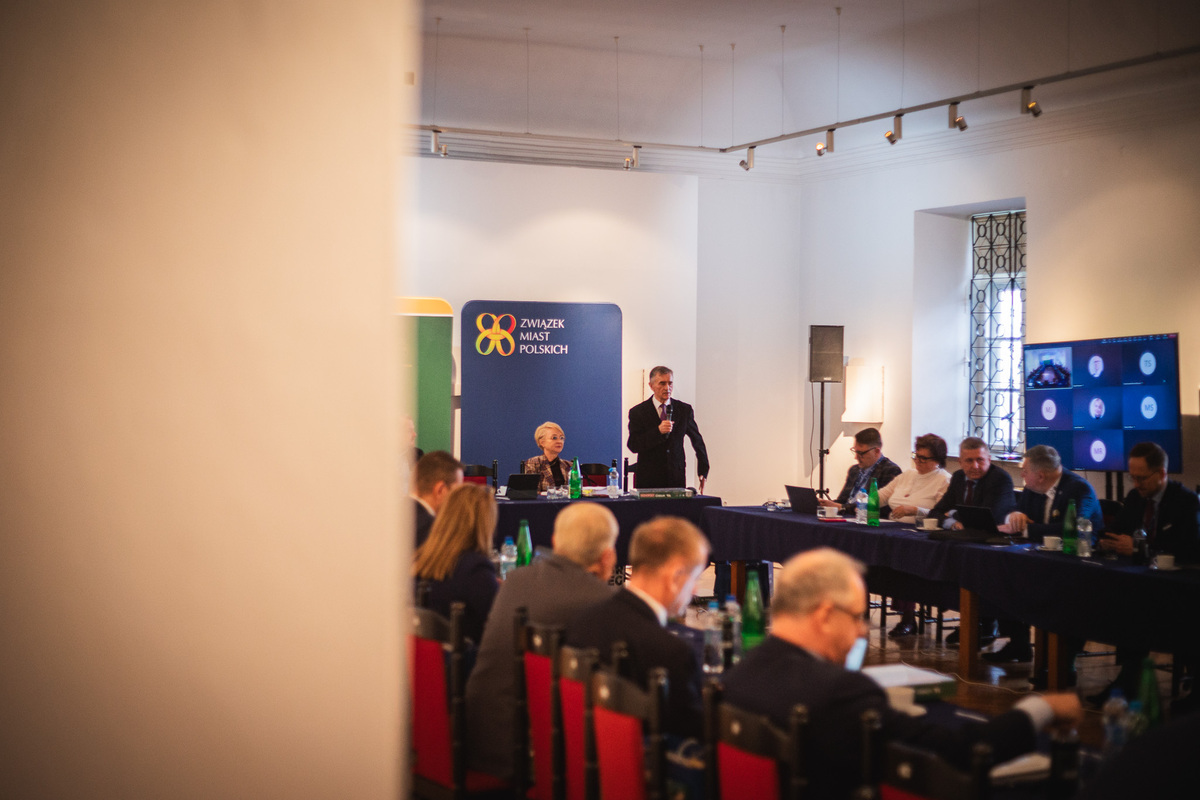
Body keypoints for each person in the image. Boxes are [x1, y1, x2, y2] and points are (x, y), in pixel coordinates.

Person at [721, 548, 1082, 800]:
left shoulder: (739, 672)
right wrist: (1042, 709)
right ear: (825, 615)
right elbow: (960, 753)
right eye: (857, 617)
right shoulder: (841, 693)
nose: (862, 631)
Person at [465, 502, 619, 779]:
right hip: (530, 756)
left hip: (478, 733)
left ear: (555, 541)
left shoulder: (516, 580)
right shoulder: (602, 601)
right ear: (608, 556)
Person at [565, 516, 710, 737]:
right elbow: (694, 738)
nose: (695, 590)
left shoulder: (582, 621)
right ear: (674, 577)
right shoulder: (671, 653)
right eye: (695, 577)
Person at [1092, 441, 1200, 702]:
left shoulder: (1186, 502)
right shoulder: (1135, 498)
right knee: (1118, 603)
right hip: (1141, 582)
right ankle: (1128, 682)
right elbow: (1117, 530)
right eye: (1133, 477)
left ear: (1161, 473)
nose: (1136, 483)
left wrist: (1140, 548)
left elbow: (1189, 549)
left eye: (1141, 478)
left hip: (1178, 587)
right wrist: (1106, 540)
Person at [988, 445, 1104, 664]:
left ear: (1040, 475)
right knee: (1002, 574)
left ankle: (1064, 662)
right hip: (1040, 558)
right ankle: (1019, 643)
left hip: (1077, 564)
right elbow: (1018, 511)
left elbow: (1071, 529)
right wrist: (1016, 516)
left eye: (1024, 471)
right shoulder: (1033, 488)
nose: (1022, 476)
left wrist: (1028, 529)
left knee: (1065, 596)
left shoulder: (1079, 489)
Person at [927, 437, 1017, 646]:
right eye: (969, 461)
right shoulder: (959, 478)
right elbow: (936, 512)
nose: (975, 466)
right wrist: (952, 523)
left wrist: (954, 514)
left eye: (980, 460)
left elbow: (988, 517)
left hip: (995, 545)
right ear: (960, 462)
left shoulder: (1000, 478)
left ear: (989, 459)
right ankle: (971, 622)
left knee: (977, 570)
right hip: (965, 542)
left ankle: (985, 625)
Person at [876, 433, 952, 637]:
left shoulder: (944, 480)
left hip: (922, 535)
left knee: (904, 561)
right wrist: (860, 502)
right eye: (916, 456)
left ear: (937, 460)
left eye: (923, 458)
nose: (917, 461)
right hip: (894, 530)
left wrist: (914, 510)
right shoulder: (908, 475)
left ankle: (908, 618)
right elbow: (881, 496)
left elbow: (943, 513)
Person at [413, 482, 499, 644]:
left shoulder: (422, 560)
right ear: (484, 524)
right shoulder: (475, 570)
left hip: (434, 657)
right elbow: (501, 624)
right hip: (469, 656)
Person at [627, 366, 709, 492]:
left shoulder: (684, 410)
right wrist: (658, 431)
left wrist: (703, 469)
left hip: (675, 477)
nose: (667, 388)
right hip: (649, 479)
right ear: (651, 386)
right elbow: (633, 445)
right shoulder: (638, 412)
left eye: (670, 383)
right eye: (662, 383)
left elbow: (697, 440)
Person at [818, 427, 903, 514]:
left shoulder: (891, 470)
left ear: (876, 451)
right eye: (855, 452)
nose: (856, 457)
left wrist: (842, 507)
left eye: (861, 453)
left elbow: (880, 507)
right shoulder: (854, 470)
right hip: (847, 516)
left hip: (868, 519)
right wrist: (826, 504)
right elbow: (842, 501)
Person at [409, 450, 464, 548]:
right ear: (440, 490)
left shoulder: (393, 515)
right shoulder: (430, 530)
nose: (458, 499)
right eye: (456, 492)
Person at [522, 421, 572, 493]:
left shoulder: (568, 465)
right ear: (542, 442)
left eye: (562, 438)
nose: (559, 441)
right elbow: (532, 492)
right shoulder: (533, 463)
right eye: (554, 438)